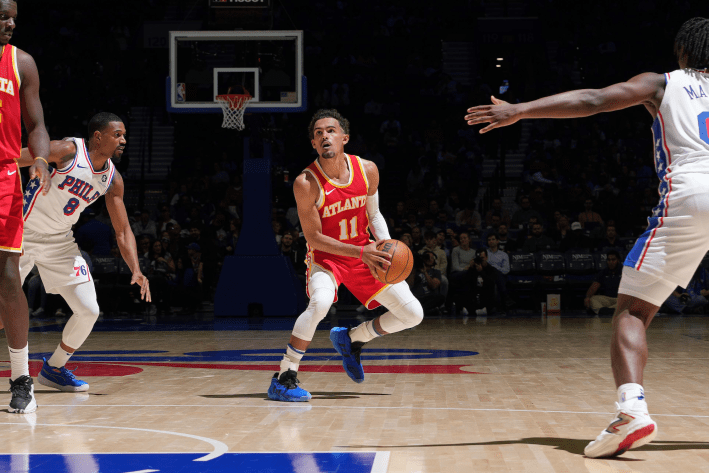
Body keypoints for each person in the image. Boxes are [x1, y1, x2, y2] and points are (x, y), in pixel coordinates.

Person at [465, 17, 709, 457]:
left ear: (685, 53)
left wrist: (519, 109)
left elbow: (594, 100)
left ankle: (632, 410)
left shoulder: (662, 82)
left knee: (632, 311)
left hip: (693, 189)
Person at [268, 109, 423, 402]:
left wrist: (386, 247)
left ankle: (352, 339)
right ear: (314, 144)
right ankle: (284, 375)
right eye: (318, 133)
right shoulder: (306, 182)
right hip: (327, 259)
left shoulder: (368, 170)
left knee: (413, 314)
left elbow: (374, 214)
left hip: (364, 253)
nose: (324, 136)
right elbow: (313, 238)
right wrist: (362, 251)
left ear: (344, 138)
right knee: (321, 303)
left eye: (330, 131)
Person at [17, 112, 151, 400]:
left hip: (60, 243)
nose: (124, 140)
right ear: (98, 136)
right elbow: (14, 157)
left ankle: (54, 368)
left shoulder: (113, 180)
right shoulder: (67, 151)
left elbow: (123, 230)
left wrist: (136, 270)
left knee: (89, 310)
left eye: (125, 135)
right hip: (22, 234)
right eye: (118, 134)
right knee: (4, 316)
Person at [0, 0, 52, 414]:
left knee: (7, 276)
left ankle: (21, 378)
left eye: (13, 15)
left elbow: (36, 126)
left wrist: (37, 159)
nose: (10, 22)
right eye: (2, 15)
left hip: (3, 177)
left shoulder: (22, 63)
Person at [584, 250, 622, 316]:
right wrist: (587, 297)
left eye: (613, 260)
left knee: (628, 302)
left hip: (619, 299)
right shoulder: (603, 272)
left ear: (618, 260)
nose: (611, 262)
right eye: (609, 260)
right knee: (593, 299)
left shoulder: (624, 271)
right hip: (606, 299)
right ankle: (612, 310)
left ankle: (604, 310)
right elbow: (594, 286)